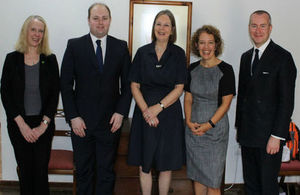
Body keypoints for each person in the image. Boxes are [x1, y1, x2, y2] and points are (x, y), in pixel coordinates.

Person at [60, 3, 131, 195]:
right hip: (81, 124)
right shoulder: (74, 46)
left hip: (110, 123)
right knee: (84, 172)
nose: (100, 22)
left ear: (110, 20)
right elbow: (65, 85)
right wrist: (73, 116)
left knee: (106, 173)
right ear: (88, 20)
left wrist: (120, 112)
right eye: (96, 18)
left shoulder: (121, 47)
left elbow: (128, 85)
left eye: (104, 18)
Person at [236, 10, 297, 195]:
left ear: (270, 28)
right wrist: (240, 128)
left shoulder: (283, 58)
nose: (258, 30)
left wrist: (277, 136)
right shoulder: (246, 57)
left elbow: (286, 102)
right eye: (254, 25)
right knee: (251, 186)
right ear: (249, 28)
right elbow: (243, 97)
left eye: (262, 26)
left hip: (269, 138)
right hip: (248, 136)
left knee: (267, 187)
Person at [127, 9, 187, 195]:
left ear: (172, 29)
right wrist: (147, 111)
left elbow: (179, 88)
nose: (162, 28)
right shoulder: (142, 52)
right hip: (144, 115)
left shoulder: (178, 53)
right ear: (153, 27)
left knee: (165, 164)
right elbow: (134, 85)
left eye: (166, 24)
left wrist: (158, 108)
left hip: (168, 116)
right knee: (144, 164)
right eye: (158, 24)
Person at [0, 15, 59, 195]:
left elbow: (53, 95)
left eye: (41, 31)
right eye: (33, 29)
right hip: (19, 125)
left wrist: (43, 125)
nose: (37, 34)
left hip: (43, 125)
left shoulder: (50, 59)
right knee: (25, 171)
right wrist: (22, 124)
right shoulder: (12, 59)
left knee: (40, 172)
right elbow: (5, 93)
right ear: (26, 31)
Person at [184, 25, 235, 195]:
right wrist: (189, 122)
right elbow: (189, 98)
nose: (206, 47)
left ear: (216, 45)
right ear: (196, 45)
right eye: (202, 43)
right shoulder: (191, 69)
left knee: (213, 181)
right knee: (198, 177)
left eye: (210, 43)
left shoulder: (226, 70)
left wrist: (208, 125)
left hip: (215, 132)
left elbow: (225, 104)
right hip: (193, 130)